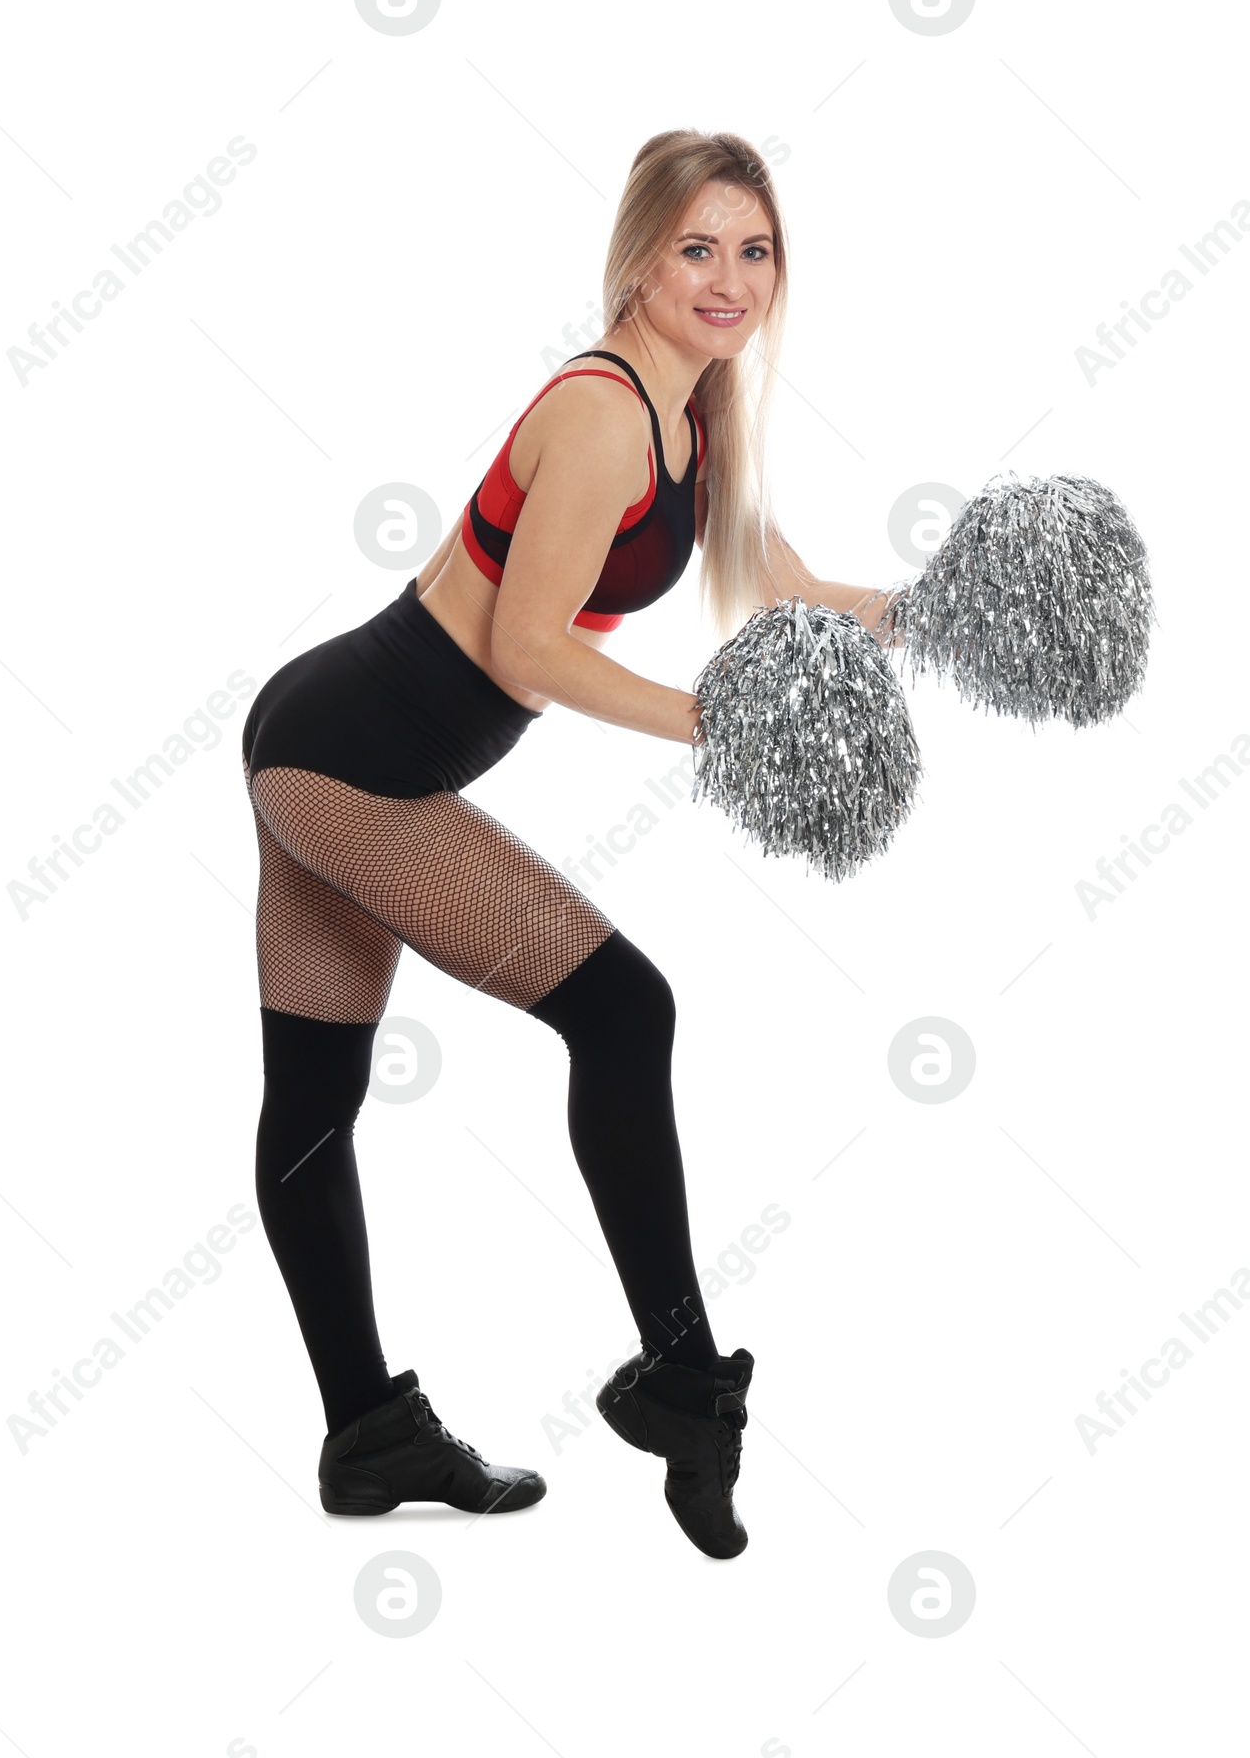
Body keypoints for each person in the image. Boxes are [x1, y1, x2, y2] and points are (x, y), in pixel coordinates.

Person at [241, 127, 896, 1558]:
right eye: (697, 249)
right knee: (622, 1008)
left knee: (316, 1098)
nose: (730, 280)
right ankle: (680, 1379)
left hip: (346, 756)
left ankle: (366, 1437)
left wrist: (926, 616)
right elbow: (532, 648)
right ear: (639, 258)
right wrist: (717, 726)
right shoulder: (603, 412)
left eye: (756, 250)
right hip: (346, 761)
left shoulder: (699, 407)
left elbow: (771, 576)